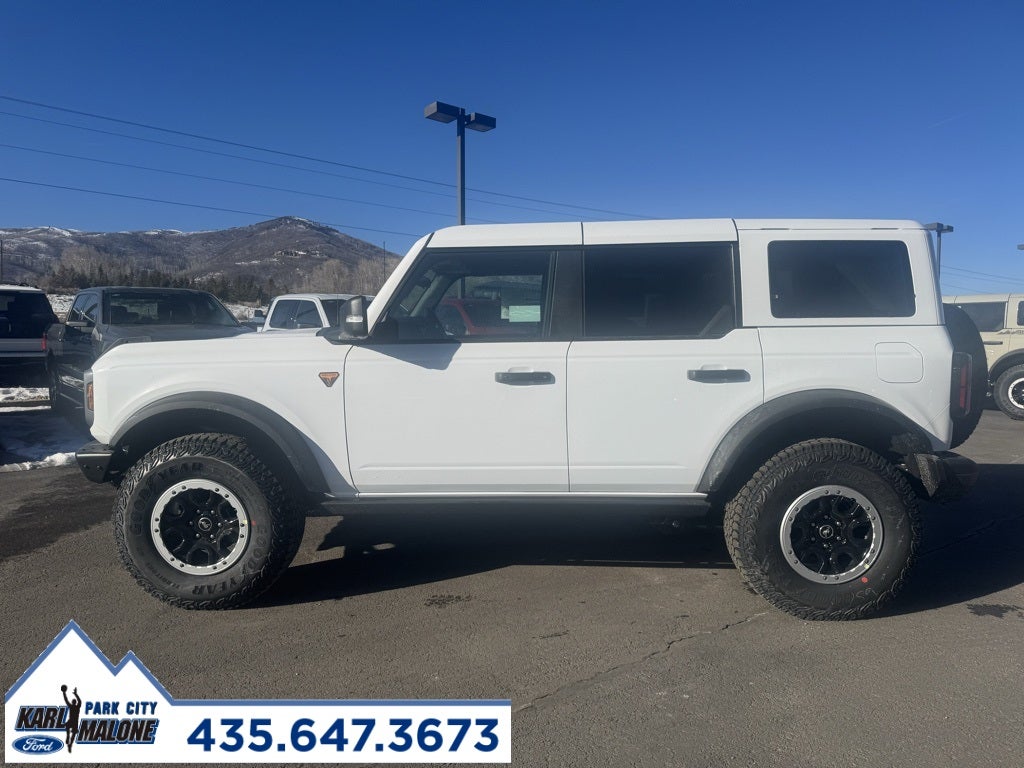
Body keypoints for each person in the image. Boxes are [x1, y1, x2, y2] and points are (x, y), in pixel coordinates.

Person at [61, 684, 81, 753]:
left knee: (68, 727)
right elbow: (79, 701)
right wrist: (75, 694)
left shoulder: (72, 706)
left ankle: (68, 738)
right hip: (74, 722)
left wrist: (64, 693)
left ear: (73, 702)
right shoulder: (77, 707)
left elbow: (66, 700)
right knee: (73, 733)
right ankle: (69, 742)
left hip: (72, 721)